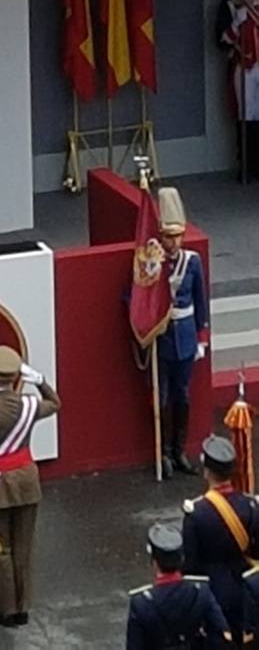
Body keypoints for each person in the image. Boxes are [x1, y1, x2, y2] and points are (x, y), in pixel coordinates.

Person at [0, 345, 61, 628]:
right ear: (17, 376)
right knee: (25, 547)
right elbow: (55, 403)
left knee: (1, 549)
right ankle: (23, 606)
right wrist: (40, 381)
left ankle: (7, 609)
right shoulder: (30, 404)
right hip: (28, 481)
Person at [183, 435, 259, 644]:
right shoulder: (250, 505)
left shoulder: (196, 513)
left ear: (206, 471)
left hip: (214, 595)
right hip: (247, 589)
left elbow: (191, 567)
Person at [156, 187, 209, 480]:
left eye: (176, 237)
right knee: (162, 397)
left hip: (186, 335)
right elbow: (135, 296)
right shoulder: (152, 261)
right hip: (162, 338)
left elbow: (201, 301)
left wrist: (202, 337)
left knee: (183, 395)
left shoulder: (193, 262)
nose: (172, 243)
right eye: (167, 237)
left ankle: (179, 450)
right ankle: (163, 451)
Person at [126, 523, 232, 649]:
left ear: (154, 562)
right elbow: (222, 634)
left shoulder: (141, 603)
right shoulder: (201, 591)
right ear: (181, 559)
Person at [217, 0, 259, 178]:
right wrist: (238, 20)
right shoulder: (231, 5)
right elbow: (221, 40)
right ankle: (247, 165)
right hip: (245, 66)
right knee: (247, 115)